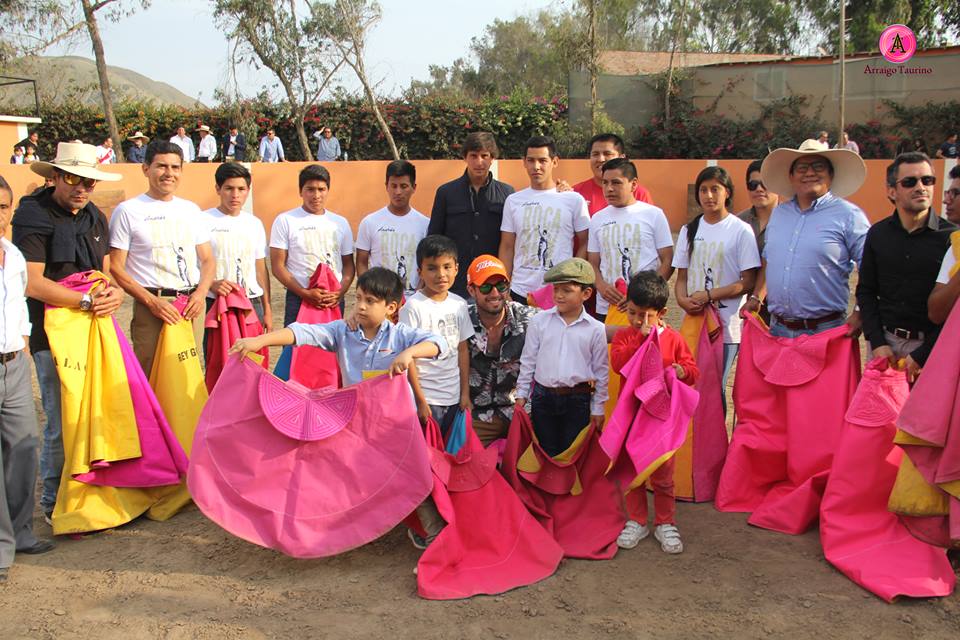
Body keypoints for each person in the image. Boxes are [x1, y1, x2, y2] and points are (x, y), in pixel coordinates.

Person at [11, 142, 123, 524]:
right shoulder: (32, 215)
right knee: (61, 422)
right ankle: (52, 503)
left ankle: (89, 492)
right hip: (51, 337)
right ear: (54, 177)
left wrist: (113, 293)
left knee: (95, 415)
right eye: (74, 179)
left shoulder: (95, 216)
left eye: (89, 182)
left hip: (94, 334)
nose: (82, 188)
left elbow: (104, 272)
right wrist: (87, 303)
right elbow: (32, 282)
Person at [229, 267, 443, 387]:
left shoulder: (400, 335)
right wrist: (258, 341)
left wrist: (409, 353)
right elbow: (301, 332)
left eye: (370, 301)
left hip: (393, 423)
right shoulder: (342, 331)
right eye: (358, 298)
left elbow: (438, 343)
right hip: (354, 418)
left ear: (391, 307)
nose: (360, 306)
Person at [744, 139, 870, 338]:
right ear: (791, 176)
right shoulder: (779, 214)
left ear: (831, 174)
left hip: (826, 330)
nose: (810, 173)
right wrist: (757, 296)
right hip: (779, 329)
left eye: (818, 167)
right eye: (802, 168)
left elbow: (870, 267)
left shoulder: (849, 216)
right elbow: (771, 259)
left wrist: (860, 312)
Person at [610, 271, 698, 554]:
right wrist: (639, 340)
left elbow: (692, 370)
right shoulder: (625, 336)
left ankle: (665, 521)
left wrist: (682, 371)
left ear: (661, 313)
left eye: (646, 316)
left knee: (663, 473)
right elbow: (618, 363)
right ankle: (636, 520)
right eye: (633, 313)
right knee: (635, 471)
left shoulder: (673, 340)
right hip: (634, 417)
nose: (639, 321)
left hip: (660, 419)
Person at [108, 141, 215, 374]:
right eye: (161, 166)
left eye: (175, 167)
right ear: (146, 169)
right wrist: (152, 303)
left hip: (190, 307)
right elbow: (116, 268)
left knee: (190, 376)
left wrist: (200, 294)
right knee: (150, 374)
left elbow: (207, 260)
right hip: (152, 308)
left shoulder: (191, 210)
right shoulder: (128, 211)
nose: (169, 173)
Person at [0, 174, 57, 582]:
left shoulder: (12, 254)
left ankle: (19, 533)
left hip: (13, 364)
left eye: (3, 208)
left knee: (24, 447)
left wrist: (19, 342)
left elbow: (20, 303)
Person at [857, 152, 955, 382]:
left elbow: (953, 310)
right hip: (885, 346)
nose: (921, 187)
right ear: (892, 191)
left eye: (927, 180)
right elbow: (866, 291)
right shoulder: (878, 234)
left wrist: (923, 354)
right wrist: (878, 342)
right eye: (910, 182)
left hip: (933, 348)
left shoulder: (952, 238)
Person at [673, 166, 760, 403]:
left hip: (726, 326)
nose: (709, 196)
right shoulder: (689, 230)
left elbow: (748, 281)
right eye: (703, 190)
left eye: (715, 189)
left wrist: (710, 295)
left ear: (728, 193)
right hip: (694, 321)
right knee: (690, 384)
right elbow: (681, 278)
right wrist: (682, 300)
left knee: (715, 389)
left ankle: (716, 440)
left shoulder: (741, 230)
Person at [515, 257, 608, 457]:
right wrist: (521, 394)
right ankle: (547, 488)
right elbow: (528, 360)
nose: (559, 295)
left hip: (577, 399)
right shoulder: (539, 321)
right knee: (544, 449)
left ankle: (565, 488)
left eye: (567, 290)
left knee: (571, 451)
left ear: (586, 293)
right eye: (556, 289)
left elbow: (601, 372)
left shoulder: (596, 329)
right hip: (543, 397)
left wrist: (598, 407)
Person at [498, 135, 589, 304]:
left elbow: (585, 242)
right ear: (524, 162)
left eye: (542, 160)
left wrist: (572, 278)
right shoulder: (513, 201)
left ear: (555, 161)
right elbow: (507, 246)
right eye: (531, 160)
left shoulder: (574, 200)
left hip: (559, 291)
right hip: (520, 291)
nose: (536, 166)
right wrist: (504, 286)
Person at [399, 235, 474, 431]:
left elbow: (462, 349)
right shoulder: (412, 307)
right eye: (432, 268)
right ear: (420, 272)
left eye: (447, 266)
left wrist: (464, 393)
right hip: (426, 398)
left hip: (453, 397)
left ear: (457, 268)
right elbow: (409, 359)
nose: (441, 274)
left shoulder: (459, 304)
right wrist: (420, 400)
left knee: (449, 456)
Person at [428, 131, 515, 297]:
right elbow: (434, 238)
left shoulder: (507, 194)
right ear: (465, 157)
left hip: (491, 285)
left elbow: (511, 243)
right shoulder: (446, 193)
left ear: (493, 158)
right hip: (455, 283)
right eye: (473, 156)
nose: (479, 162)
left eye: (484, 156)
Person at [587, 158, 674, 320]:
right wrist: (601, 286)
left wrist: (645, 295)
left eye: (616, 183)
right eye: (605, 183)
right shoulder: (598, 219)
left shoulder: (653, 214)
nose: (609, 188)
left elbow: (668, 260)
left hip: (642, 309)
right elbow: (592, 262)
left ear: (634, 184)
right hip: (607, 307)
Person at [465, 254, 537, 446]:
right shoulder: (460, 319)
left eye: (501, 286)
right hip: (478, 414)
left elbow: (572, 326)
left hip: (522, 410)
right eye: (486, 287)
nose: (495, 293)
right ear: (472, 290)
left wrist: (626, 330)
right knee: (461, 461)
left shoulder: (527, 317)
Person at [270, 164, 354, 327]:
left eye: (321, 189)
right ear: (301, 191)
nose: (316, 195)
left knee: (331, 349)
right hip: (299, 297)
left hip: (333, 299)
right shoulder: (285, 220)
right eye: (310, 189)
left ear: (328, 190)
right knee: (295, 348)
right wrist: (305, 293)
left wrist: (339, 292)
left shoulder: (340, 223)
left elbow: (348, 265)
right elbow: (277, 267)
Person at [202, 162, 272, 330]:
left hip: (251, 301)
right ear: (218, 189)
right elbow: (193, 264)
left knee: (253, 355)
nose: (235, 195)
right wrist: (211, 283)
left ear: (248, 191)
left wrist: (267, 309)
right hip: (215, 301)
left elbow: (260, 269)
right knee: (219, 355)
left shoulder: (254, 223)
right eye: (229, 188)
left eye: (241, 189)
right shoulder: (202, 221)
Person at [355, 160, 429, 296]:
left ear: (414, 187)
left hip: (413, 299)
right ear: (386, 186)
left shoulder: (425, 224)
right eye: (393, 186)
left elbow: (428, 263)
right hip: (380, 300)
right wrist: (369, 291)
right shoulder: (369, 222)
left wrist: (418, 294)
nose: (398, 192)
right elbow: (361, 262)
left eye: (404, 186)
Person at [573, 133, 654, 214]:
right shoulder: (576, 193)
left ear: (622, 158)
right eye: (595, 154)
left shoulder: (638, 193)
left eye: (607, 154)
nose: (600, 159)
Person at [737, 159, 779, 258]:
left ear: (777, 186)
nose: (759, 189)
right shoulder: (738, 222)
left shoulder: (790, 221)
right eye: (753, 185)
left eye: (765, 183)